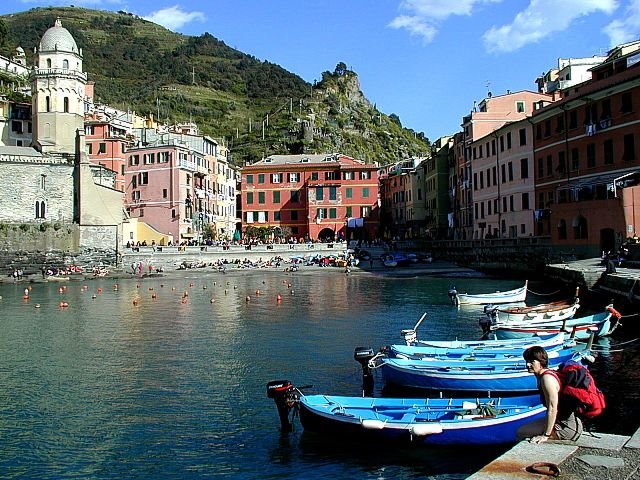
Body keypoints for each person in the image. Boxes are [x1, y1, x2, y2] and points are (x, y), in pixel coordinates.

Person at [522, 346, 583, 443]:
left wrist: (546, 435)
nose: (528, 364)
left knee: (522, 432)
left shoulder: (547, 379)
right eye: (527, 361)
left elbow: (553, 409)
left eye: (532, 362)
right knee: (523, 430)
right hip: (561, 422)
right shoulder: (543, 376)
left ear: (541, 362)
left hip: (567, 428)